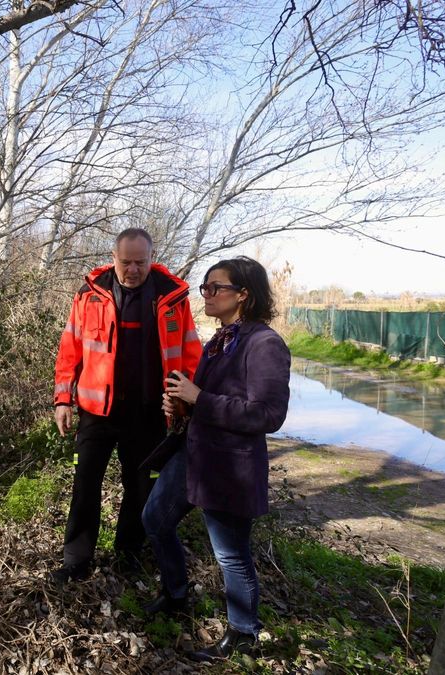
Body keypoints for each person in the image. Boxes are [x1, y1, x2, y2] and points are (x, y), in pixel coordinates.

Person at [140, 256, 291, 662]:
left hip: (229, 467)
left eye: (214, 287)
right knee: (154, 519)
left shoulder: (265, 344)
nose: (205, 294)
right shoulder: (222, 339)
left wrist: (199, 398)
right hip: (194, 455)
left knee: (231, 554)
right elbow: (204, 400)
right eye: (204, 287)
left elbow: (268, 415)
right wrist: (182, 404)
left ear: (244, 294)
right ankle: (176, 594)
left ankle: (244, 634)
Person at [51, 228, 202, 584]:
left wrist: (185, 401)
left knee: (140, 488)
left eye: (140, 262)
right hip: (96, 411)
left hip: (149, 413)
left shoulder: (172, 297)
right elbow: (70, 347)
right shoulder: (90, 294)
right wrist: (63, 399)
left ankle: (129, 553)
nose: (133, 269)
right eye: (126, 262)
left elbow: (190, 350)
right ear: (113, 257)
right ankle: (77, 560)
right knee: (85, 484)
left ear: (152, 258)